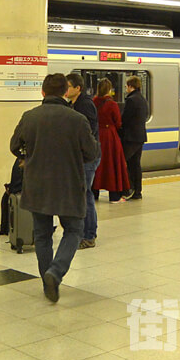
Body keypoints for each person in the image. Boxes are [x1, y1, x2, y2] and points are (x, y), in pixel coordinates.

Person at [10, 73, 99, 303]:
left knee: (42, 234)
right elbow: (92, 153)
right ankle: (55, 272)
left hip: (37, 184)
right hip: (68, 184)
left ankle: (46, 281)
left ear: (42, 92)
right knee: (73, 229)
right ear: (64, 92)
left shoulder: (29, 117)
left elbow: (14, 146)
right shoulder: (77, 119)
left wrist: (26, 157)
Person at [65, 73, 100, 249]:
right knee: (82, 194)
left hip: (88, 157)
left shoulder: (85, 105)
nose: (66, 90)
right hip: (81, 155)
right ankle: (84, 232)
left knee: (85, 194)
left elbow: (89, 132)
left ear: (77, 88)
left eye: (68, 86)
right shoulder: (73, 104)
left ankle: (89, 235)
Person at [92, 78, 130, 203]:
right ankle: (114, 195)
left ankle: (94, 193)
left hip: (97, 135)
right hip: (110, 136)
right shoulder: (112, 104)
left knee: (97, 166)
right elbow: (118, 122)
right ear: (109, 89)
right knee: (112, 165)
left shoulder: (93, 102)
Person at [121, 76, 148, 200]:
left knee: (122, 162)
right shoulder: (142, 99)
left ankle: (129, 188)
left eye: (127, 86)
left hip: (130, 137)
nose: (126, 88)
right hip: (140, 136)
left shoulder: (131, 100)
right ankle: (138, 191)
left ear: (131, 86)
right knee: (135, 164)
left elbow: (125, 119)